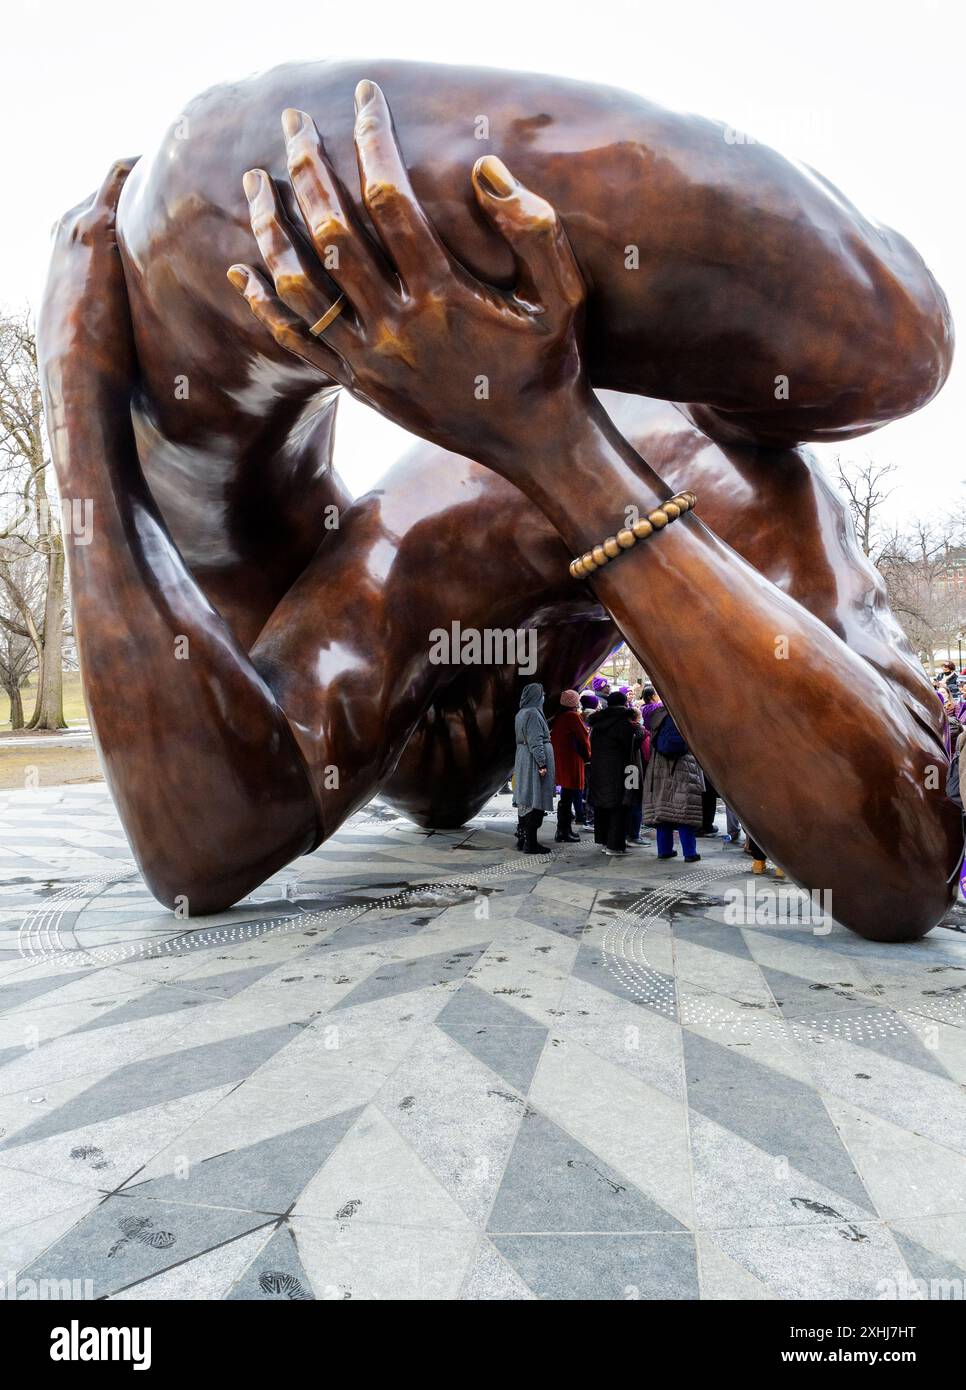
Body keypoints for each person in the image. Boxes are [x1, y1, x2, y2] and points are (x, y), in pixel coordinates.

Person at [643, 707, 704, 862]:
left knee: (663, 811)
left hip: (658, 768)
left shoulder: (656, 718)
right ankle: (690, 853)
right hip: (683, 767)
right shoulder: (681, 716)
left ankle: (664, 850)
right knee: (685, 811)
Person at [588, 691, 638, 856]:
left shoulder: (597, 723)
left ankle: (604, 840)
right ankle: (614, 845)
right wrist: (640, 733)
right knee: (619, 806)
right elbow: (630, 747)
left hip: (598, 770)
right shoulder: (624, 724)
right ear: (624, 704)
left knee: (602, 806)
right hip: (620, 771)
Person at [513, 683, 555, 854]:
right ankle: (531, 843)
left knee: (525, 798)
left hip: (524, 758)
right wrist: (542, 763)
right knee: (534, 799)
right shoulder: (533, 714)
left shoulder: (522, 712)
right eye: (542, 694)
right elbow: (535, 741)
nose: (543, 697)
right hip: (532, 761)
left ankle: (523, 839)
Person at [550, 689, 591, 843]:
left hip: (562, 759)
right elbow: (583, 737)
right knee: (568, 796)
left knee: (566, 796)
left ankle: (564, 829)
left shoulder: (559, 716)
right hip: (572, 760)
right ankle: (563, 831)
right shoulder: (572, 716)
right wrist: (588, 756)